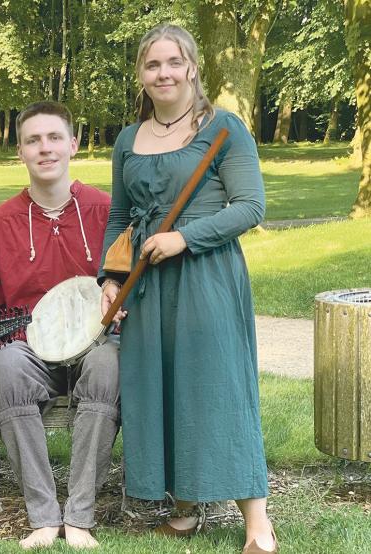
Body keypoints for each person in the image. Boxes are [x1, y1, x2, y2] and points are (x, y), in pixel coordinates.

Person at [99, 23, 275, 553]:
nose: (164, 73)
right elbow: (120, 217)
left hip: (206, 276)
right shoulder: (129, 139)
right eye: (152, 65)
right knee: (162, 388)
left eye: (173, 62)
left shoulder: (224, 128)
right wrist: (109, 278)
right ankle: (183, 508)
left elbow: (251, 207)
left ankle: (258, 523)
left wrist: (185, 238)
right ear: (141, 74)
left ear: (192, 66)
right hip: (147, 285)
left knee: (218, 387)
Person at [0, 101, 121, 550]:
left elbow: (128, 283)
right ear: (20, 151)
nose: (45, 148)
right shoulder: (0, 223)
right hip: (29, 348)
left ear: (72, 144)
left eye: (54, 137)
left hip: (95, 342)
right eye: (33, 140)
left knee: (109, 363)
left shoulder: (106, 211)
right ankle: (43, 516)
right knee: (9, 368)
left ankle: (79, 517)